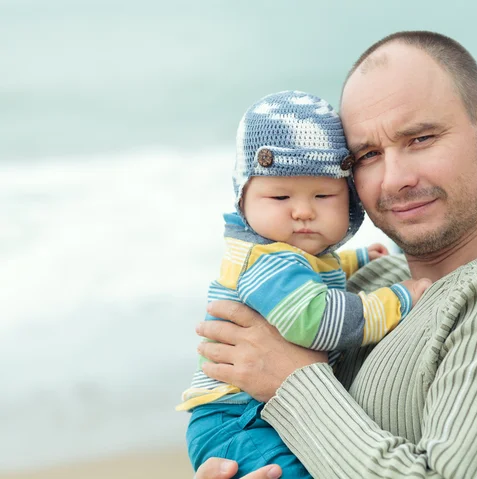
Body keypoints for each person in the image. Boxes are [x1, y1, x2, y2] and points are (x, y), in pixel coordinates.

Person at [193, 31, 477, 479]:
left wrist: (292, 382)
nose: (394, 178)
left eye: (421, 138)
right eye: (367, 154)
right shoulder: (357, 283)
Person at [180, 90, 431, 476]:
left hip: (256, 409)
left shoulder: (287, 254)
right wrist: (396, 299)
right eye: (279, 196)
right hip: (237, 416)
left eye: (323, 195)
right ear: (244, 200)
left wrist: (359, 260)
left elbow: (314, 273)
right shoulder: (266, 261)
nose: (302, 211)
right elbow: (315, 319)